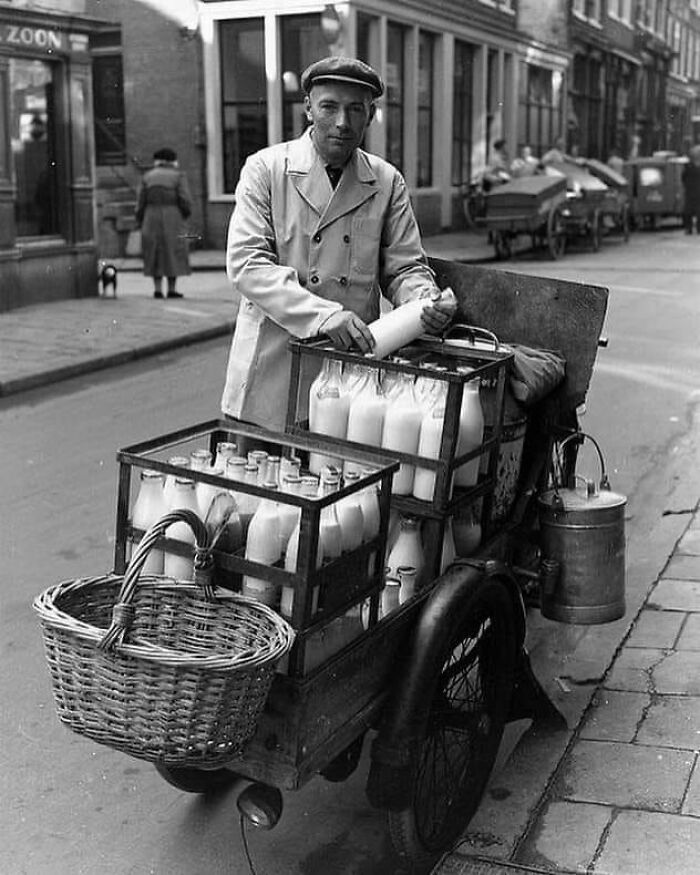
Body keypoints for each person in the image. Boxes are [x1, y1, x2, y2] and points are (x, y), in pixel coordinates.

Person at [221, 56, 457, 430]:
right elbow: (248, 265)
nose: (342, 123)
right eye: (329, 107)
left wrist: (423, 302)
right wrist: (325, 315)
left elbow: (405, 267)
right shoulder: (265, 170)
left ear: (371, 114)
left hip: (351, 381)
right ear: (308, 108)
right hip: (271, 378)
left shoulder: (386, 181)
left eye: (355, 110)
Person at [135, 147, 192, 299]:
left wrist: (140, 218)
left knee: (154, 252)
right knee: (173, 251)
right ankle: (172, 289)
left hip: (150, 216)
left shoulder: (147, 177)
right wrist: (185, 214)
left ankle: (157, 289)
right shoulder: (178, 176)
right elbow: (185, 199)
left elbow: (140, 202)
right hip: (173, 217)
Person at [681, 145, 700, 234]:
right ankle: (689, 228)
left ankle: (692, 229)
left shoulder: (688, 167)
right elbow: (683, 178)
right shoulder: (688, 167)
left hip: (693, 191)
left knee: (692, 211)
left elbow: (683, 178)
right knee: (688, 211)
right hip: (691, 191)